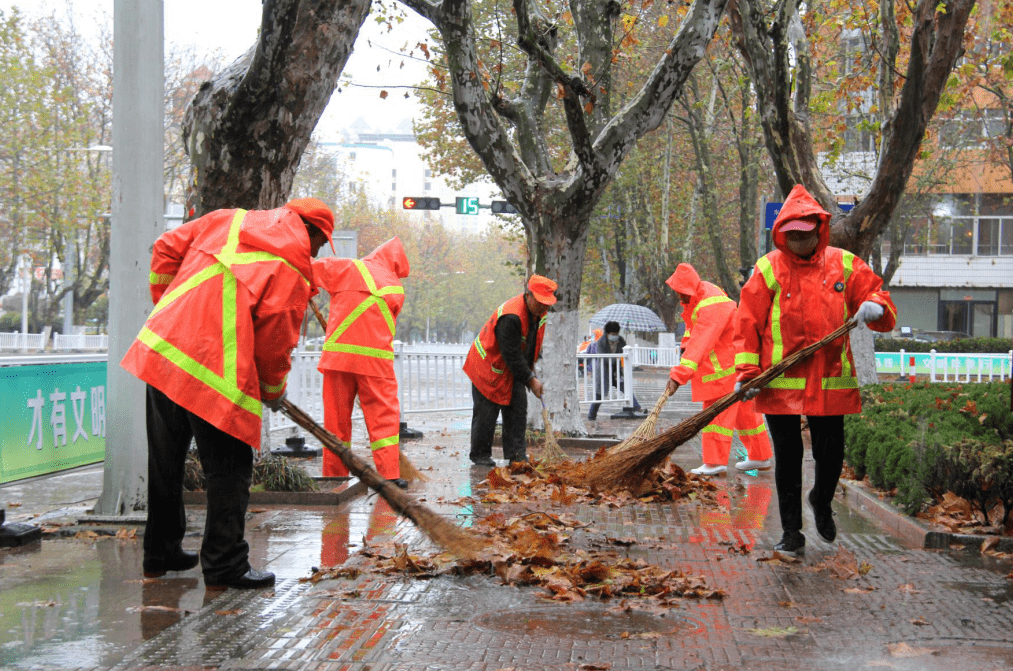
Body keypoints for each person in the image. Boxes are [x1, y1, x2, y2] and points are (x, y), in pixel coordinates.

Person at [121, 198, 334, 589]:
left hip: (165, 349)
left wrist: (170, 308)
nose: (317, 252)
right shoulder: (291, 266)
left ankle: (160, 552)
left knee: (165, 464)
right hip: (214, 371)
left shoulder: (228, 220)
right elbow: (274, 343)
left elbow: (166, 248)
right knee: (231, 470)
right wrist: (272, 391)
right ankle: (224, 565)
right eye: (321, 244)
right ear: (313, 231)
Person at [734, 184, 896, 557]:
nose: (798, 242)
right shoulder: (767, 269)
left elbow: (879, 298)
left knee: (831, 454)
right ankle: (792, 532)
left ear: (818, 231)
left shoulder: (845, 264)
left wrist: (876, 307)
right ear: (781, 234)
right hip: (778, 382)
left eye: (805, 235)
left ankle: (821, 500)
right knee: (787, 458)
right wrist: (747, 371)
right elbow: (747, 325)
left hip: (829, 380)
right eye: (791, 236)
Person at [312, 237, 410, 488]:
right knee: (384, 419)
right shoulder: (395, 287)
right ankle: (389, 475)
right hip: (376, 362)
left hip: (338, 359)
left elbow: (309, 270)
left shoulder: (347, 267)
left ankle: (334, 476)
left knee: (336, 422)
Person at [664, 263, 773, 476]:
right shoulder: (702, 296)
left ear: (688, 288)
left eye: (680, 293)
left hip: (722, 370)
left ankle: (715, 463)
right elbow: (692, 333)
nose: (679, 298)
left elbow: (700, 342)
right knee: (746, 414)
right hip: (733, 365)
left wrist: (679, 376)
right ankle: (760, 457)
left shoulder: (709, 305)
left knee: (715, 415)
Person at [463, 275, 557, 466]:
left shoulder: (539, 314)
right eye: (540, 303)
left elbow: (529, 346)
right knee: (486, 414)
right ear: (528, 295)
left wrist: (530, 371)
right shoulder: (511, 316)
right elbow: (512, 354)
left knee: (518, 409)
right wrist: (530, 379)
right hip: (487, 366)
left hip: (509, 368)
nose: (543, 308)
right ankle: (480, 456)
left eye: (546, 304)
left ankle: (517, 455)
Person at [586, 321, 642, 420]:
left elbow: (625, 352)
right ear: (607, 333)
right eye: (612, 334)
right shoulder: (601, 342)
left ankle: (637, 407)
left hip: (616, 371)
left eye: (616, 334)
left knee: (625, 388)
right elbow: (603, 358)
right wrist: (615, 358)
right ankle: (591, 416)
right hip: (603, 372)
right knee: (599, 396)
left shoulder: (620, 340)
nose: (615, 336)